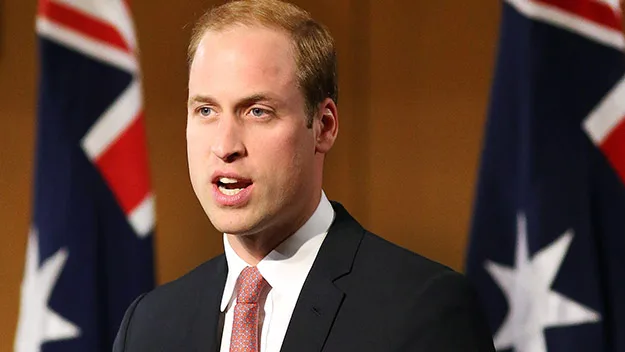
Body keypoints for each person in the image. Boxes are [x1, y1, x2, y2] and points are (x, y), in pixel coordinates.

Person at [113, 0, 496, 351]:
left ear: (324, 126)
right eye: (206, 111)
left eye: (257, 111)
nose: (225, 145)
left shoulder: (425, 310)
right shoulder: (148, 326)